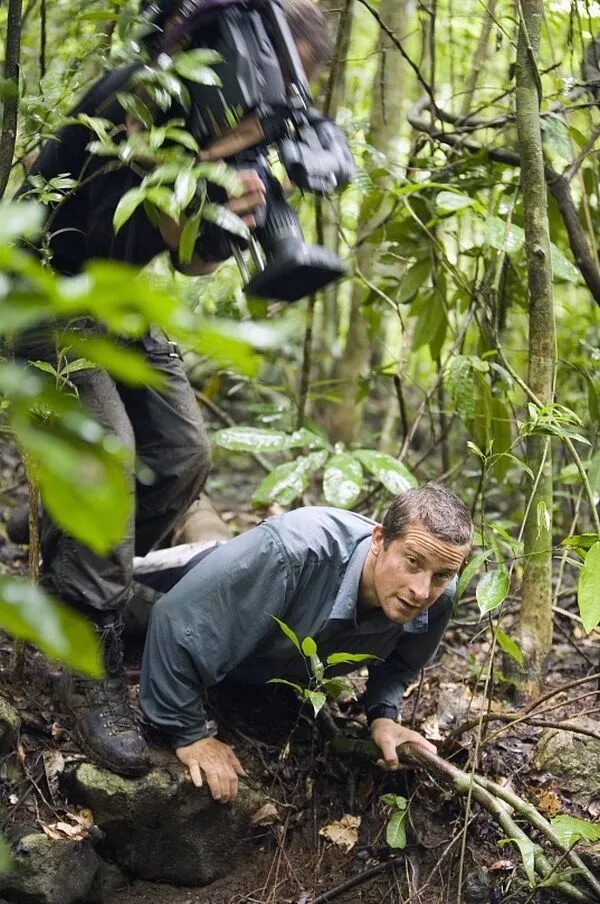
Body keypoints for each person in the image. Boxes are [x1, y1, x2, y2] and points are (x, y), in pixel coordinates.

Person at [14, 0, 334, 777]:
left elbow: (188, 260)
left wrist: (245, 203)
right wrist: (221, 163)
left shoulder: (223, 133)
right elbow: (146, 194)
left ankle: (100, 591)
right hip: (37, 294)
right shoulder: (144, 93)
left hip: (116, 300)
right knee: (106, 457)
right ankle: (82, 664)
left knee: (184, 453)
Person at [140, 484, 473, 802]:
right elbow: (173, 619)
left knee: (220, 543)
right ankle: (188, 501)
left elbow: (400, 665)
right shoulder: (292, 554)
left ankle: (196, 509)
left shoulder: (438, 596)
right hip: (197, 573)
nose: (421, 591)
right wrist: (189, 734)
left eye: (442, 575)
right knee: (112, 585)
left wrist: (383, 715)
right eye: (412, 561)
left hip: (248, 585)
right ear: (378, 539)